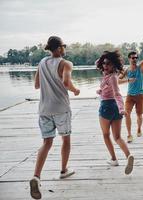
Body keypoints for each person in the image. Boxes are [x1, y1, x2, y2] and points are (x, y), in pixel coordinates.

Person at [30, 36, 80, 199]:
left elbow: (36, 85)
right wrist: (75, 90)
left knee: (47, 142)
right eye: (63, 46)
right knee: (65, 139)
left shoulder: (42, 62)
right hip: (61, 108)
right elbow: (66, 82)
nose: (64, 48)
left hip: (44, 109)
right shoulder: (66, 63)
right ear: (59, 48)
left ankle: (36, 176)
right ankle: (64, 170)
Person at [96, 50, 134, 175]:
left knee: (106, 135)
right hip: (115, 108)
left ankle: (114, 159)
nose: (105, 66)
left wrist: (122, 108)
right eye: (104, 63)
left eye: (108, 64)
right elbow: (110, 86)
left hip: (108, 106)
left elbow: (117, 93)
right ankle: (128, 156)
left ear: (113, 65)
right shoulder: (110, 75)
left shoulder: (112, 77)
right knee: (117, 137)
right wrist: (101, 91)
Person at [118, 39, 143, 143]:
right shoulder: (126, 70)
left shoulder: (141, 67)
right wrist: (128, 80)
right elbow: (117, 81)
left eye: (136, 57)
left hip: (140, 95)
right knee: (127, 113)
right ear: (129, 59)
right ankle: (129, 134)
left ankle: (139, 129)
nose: (135, 59)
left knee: (139, 115)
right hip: (130, 96)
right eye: (133, 58)